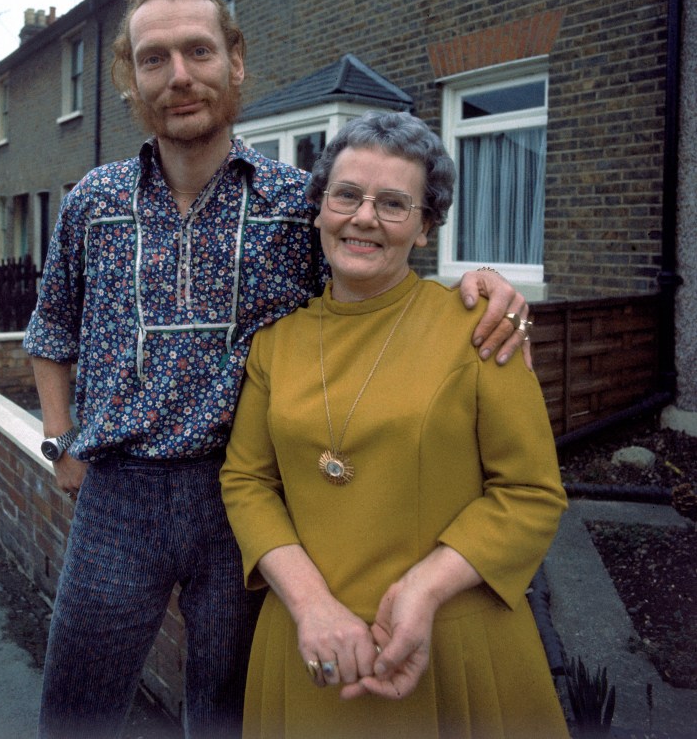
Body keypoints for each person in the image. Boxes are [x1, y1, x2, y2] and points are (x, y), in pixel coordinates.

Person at [23, 0, 532, 739]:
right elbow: (51, 325)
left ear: (236, 62)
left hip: (243, 496)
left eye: (199, 50)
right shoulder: (92, 202)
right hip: (116, 495)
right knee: (75, 709)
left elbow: (377, 269)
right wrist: (61, 440)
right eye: (154, 58)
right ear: (130, 76)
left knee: (229, 716)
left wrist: (482, 283)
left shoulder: (299, 201)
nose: (180, 76)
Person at [219, 110, 568, 739]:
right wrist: (311, 604)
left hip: (452, 646)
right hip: (311, 647)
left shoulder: (480, 330)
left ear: (427, 227)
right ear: (320, 208)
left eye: (393, 203)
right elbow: (246, 482)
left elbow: (531, 492)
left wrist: (426, 589)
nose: (363, 218)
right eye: (346, 195)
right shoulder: (274, 344)